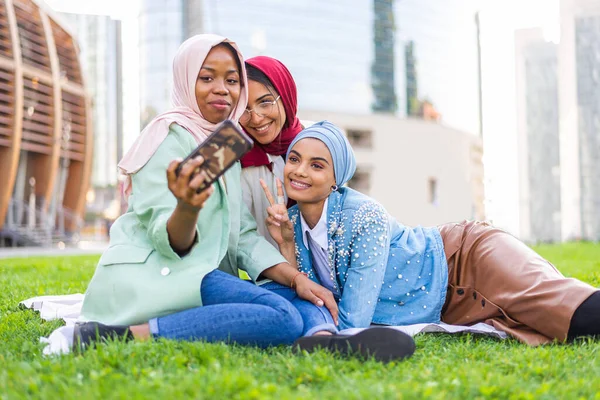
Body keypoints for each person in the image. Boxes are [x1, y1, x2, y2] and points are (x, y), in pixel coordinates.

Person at [75, 36, 415, 362]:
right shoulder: (165, 138)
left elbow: (243, 236)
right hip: (163, 271)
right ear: (184, 80)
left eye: (232, 80)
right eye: (206, 77)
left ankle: (324, 341)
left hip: (203, 271)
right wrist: (188, 207)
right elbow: (168, 243)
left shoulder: (225, 142)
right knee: (283, 318)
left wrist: (298, 278)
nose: (222, 88)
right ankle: (122, 335)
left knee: (304, 295)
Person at [263, 120, 600, 346]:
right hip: (449, 306)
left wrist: (321, 333)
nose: (300, 171)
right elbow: (312, 293)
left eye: (317, 165)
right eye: (294, 159)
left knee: (569, 310)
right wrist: (288, 244)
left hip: (466, 258)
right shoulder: (293, 220)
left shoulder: (363, 215)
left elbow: (352, 319)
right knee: (549, 328)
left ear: (338, 178)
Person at [238, 56, 309, 248]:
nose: (256, 118)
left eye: (265, 102)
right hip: (272, 273)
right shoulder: (242, 160)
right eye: (244, 109)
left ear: (285, 95)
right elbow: (241, 238)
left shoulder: (318, 141)